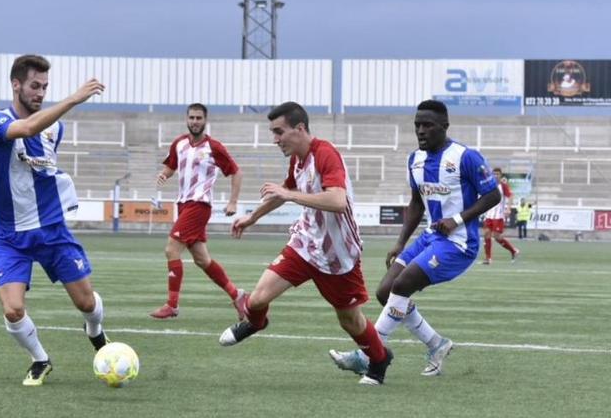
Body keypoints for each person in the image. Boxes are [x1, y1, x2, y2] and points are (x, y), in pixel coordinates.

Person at [218, 101, 393, 385]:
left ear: (299, 128)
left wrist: (290, 196)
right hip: (305, 244)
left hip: (338, 255)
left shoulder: (326, 154)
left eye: (279, 132)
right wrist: (252, 217)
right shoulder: (297, 160)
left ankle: (379, 359)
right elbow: (285, 192)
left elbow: (336, 201)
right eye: (273, 133)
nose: (275, 140)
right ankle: (256, 323)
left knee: (350, 321)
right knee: (259, 298)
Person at [328, 100, 501, 381]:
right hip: (430, 238)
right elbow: (416, 204)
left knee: (402, 285)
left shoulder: (465, 157)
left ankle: (367, 355)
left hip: (458, 244)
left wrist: (456, 219)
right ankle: (437, 344)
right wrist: (400, 242)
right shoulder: (415, 160)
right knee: (386, 292)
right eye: (417, 125)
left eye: (428, 125)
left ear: (444, 126)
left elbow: (493, 196)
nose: (421, 131)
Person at [0, 54, 108, 387]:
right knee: (12, 310)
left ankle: (95, 331)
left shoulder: (55, 127)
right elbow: (26, 128)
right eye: (34, 86)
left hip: (51, 230)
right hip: (10, 236)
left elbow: (44, 167)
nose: (40, 93)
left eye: (45, 87)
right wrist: (73, 98)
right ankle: (41, 359)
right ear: (16, 85)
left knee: (86, 303)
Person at [149, 103, 246, 320]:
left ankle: (172, 305)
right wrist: (164, 174)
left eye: (199, 118)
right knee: (203, 260)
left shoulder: (214, 147)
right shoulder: (179, 143)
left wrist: (233, 202)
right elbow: (172, 165)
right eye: (191, 117)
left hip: (199, 205)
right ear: (186, 119)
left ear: (205, 120)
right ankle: (237, 295)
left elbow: (236, 173)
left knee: (171, 249)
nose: (195, 121)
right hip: (183, 204)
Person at [481, 168, 520, 264]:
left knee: (497, 237)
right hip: (489, 215)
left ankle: (513, 250)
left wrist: (508, 208)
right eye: (494, 174)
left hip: (499, 215)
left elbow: (510, 196)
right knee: (486, 234)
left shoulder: (503, 186)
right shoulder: (488, 185)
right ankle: (488, 258)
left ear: (501, 176)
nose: (495, 176)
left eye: (497, 174)